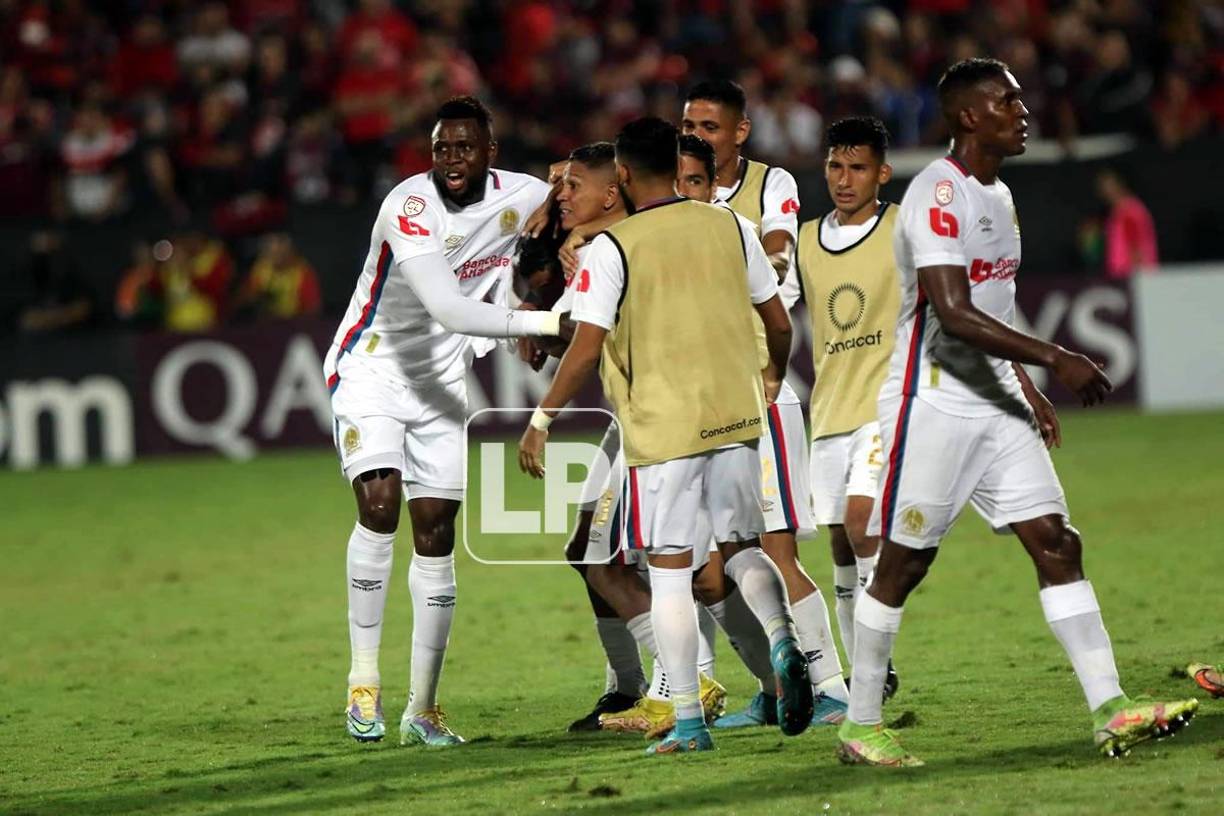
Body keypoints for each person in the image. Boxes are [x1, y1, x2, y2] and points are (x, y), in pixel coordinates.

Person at [837, 58, 1198, 767]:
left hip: (995, 404)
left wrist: (1024, 388)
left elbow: (993, 304)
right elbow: (953, 309)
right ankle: (860, 723)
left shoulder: (998, 196)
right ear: (969, 116)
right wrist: (1054, 359)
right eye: (1007, 100)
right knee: (904, 564)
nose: (1023, 110)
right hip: (932, 402)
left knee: (1057, 542)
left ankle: (1110, 708)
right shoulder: (935, 193)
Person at [518, 117, 813, 755]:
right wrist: (772, 372)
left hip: (663, 429)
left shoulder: (615, 248)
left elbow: (586, 346)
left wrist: (542, 419)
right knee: (739, 547)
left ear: (623, 175)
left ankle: (686, 721)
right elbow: (778, 320)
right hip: (736, 416)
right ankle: (786, 641)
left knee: (673, 572)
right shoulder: (731, 224)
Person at [325, 96, 563, 747]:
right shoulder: (409, 206)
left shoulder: (527, 195)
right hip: (371, 370)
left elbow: (572, 213)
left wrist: (540, 287)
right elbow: (449, 308)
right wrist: (542, 322)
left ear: (490, 152)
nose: (450, 160)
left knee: (435, 532)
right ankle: (363, 683)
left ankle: (422, 707)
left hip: (441, 385)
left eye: (463, 147)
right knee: (379, 504)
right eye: (440, 148)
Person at [684, 79, 850, 728]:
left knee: (776, 552)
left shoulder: (768, 184)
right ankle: (776, 689)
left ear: (740, 133)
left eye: (710, 125)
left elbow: (780, 243)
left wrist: (759, 261)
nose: (697, 134)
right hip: (702, 399)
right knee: (714, 563)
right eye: (689, 123)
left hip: (762, 392)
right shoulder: (676, 190)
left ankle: (831, 683)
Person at [795, 116, 899, 697]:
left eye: (857, 167)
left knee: (862, 527)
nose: (844, 177)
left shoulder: (903, 228)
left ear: (881, 173)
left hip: (885, 406)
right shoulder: (808, 239)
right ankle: (869, 674)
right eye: (835, 165)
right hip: (830, 410)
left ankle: (873, 668)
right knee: (839, 541)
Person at [1095, 168, 1158, 280]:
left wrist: (1138, 277)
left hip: (1132, 276)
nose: (1105, 191)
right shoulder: (1118, 211)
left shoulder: (1128, 211)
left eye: (1108, 186)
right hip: (1122, 275)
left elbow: (1136, 248)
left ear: (1120, 185)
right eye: (1102, 187)